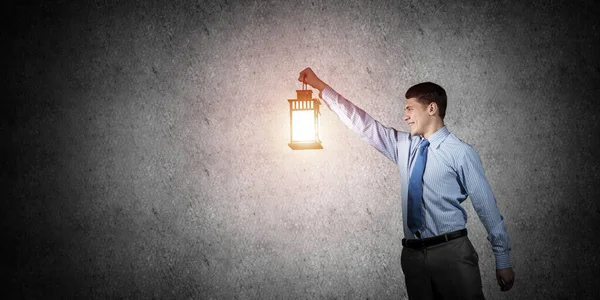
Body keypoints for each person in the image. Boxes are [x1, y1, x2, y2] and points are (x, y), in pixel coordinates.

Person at [298, 67, 515, 299]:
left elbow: (486, 207)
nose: (405, 116)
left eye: (410, 109)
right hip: (412, 258)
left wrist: (502, 259)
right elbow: (364, 125)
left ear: (432, 108)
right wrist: (321, 86)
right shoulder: (404, 147)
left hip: (452, 254)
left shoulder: (461, 153)